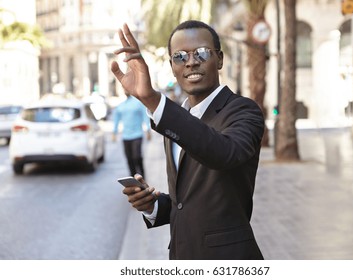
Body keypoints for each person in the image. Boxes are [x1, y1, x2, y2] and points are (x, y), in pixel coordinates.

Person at [111, 20, 265, 260]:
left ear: (220, 59)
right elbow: (185, 203)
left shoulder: (243, 111)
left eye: (202, 53)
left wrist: (153, 100)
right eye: (180, 56)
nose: (191, 62)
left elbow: (224, 153)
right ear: (172, 66)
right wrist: (153, 206)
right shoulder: (174, 121)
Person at [112, 91, 151, 177]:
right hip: (125, 137)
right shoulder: (122, 105)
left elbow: (145, 116)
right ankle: (133, 178)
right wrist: (114, 132)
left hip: (137, 135)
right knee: (129, 159)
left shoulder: (138, 103)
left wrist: (148, 130)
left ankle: (142, 176)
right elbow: (116, 119)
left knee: (136, 157)